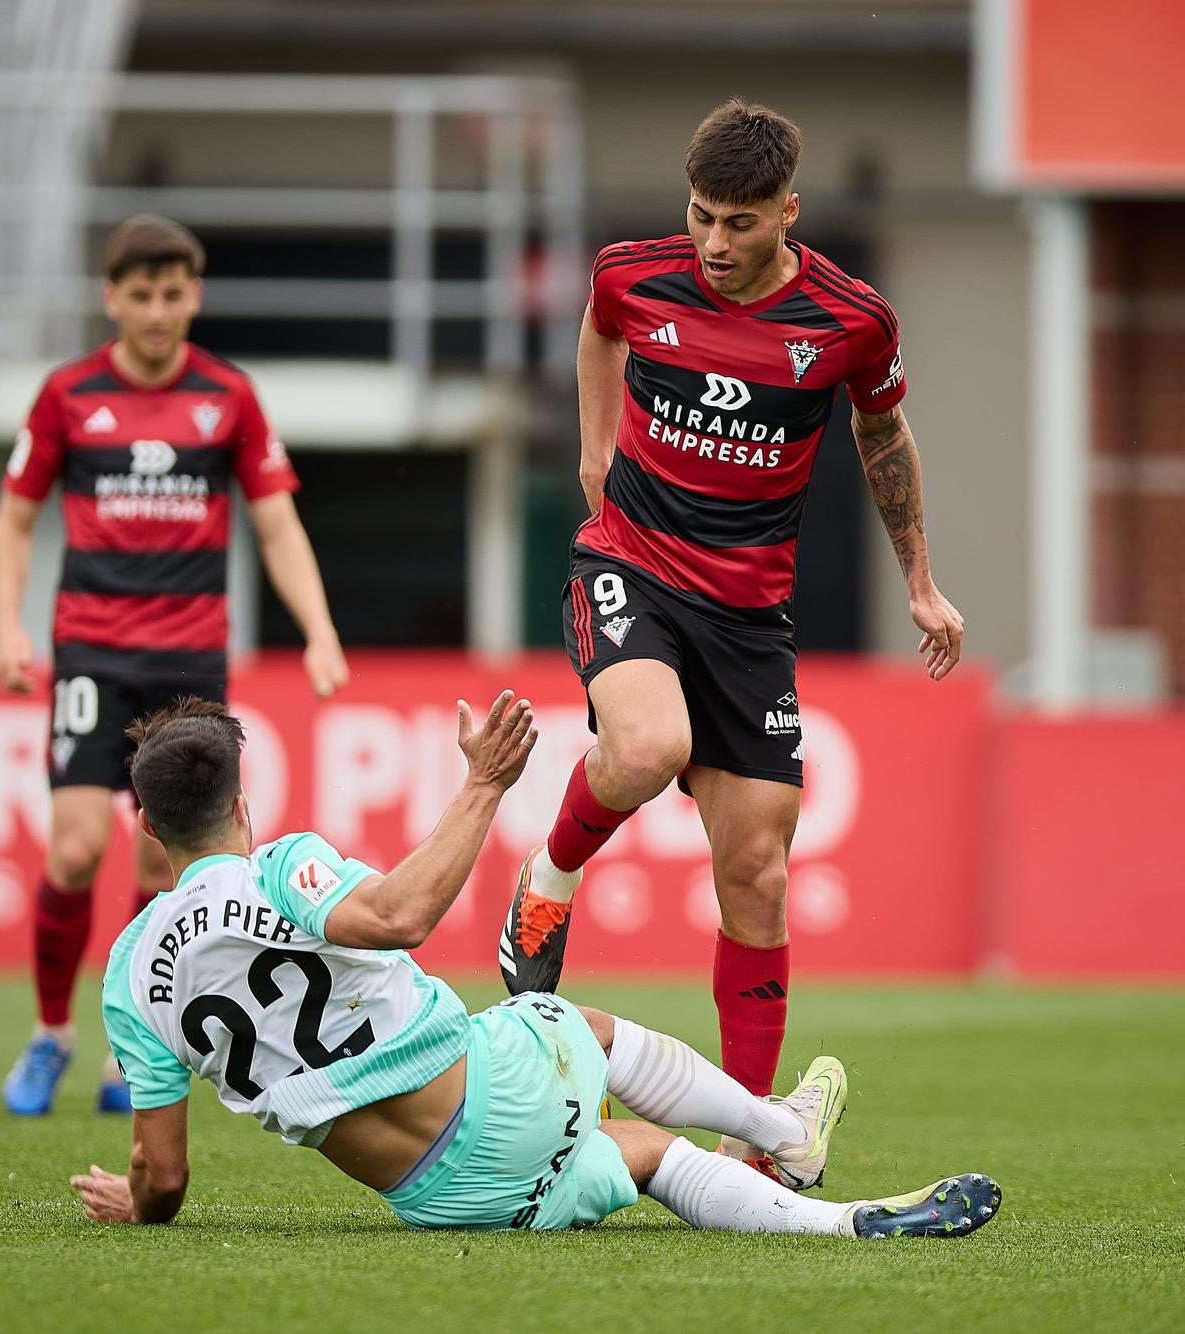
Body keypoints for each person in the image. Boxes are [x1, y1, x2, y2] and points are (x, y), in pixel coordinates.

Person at [67, 694, 1002, 1241]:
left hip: (440, 1200)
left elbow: (164, 1176)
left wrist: (139, 1204)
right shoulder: (281, 865)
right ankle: (789, 1146)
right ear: (241, 805)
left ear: (143, 825)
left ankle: (839, 1219)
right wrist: (483, 787)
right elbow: (398, 916)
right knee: (559, 1022)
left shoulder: (127, 975)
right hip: (491, 1097)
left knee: (630, 1156)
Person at [498, 99, 966, 1174]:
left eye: (739, 224)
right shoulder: (632, 272)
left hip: (752, 611)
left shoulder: (851, 320)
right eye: (701, 216)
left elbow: (882, 432)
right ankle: (548, 877)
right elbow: (598, 334)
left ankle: (754, 1131)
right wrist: (592, 453)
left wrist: (921, 585)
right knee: (648, 745)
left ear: (787, 214)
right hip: (632, 565)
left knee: (755, 870)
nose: (713, 242)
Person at [0, 213, 349, 1117]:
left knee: (160, 873)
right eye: (140, 294)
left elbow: (274, 520)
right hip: (91, 655)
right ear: (112, 297)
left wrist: (318, 628)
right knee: (73, 850)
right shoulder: (68, 395)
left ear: (194, 295)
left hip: (189, 662)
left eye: (173, 293)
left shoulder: (227, 395)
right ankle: (49, 1033)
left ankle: (127, 1049)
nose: (157, 311)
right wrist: (7, 626)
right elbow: (13, 519)